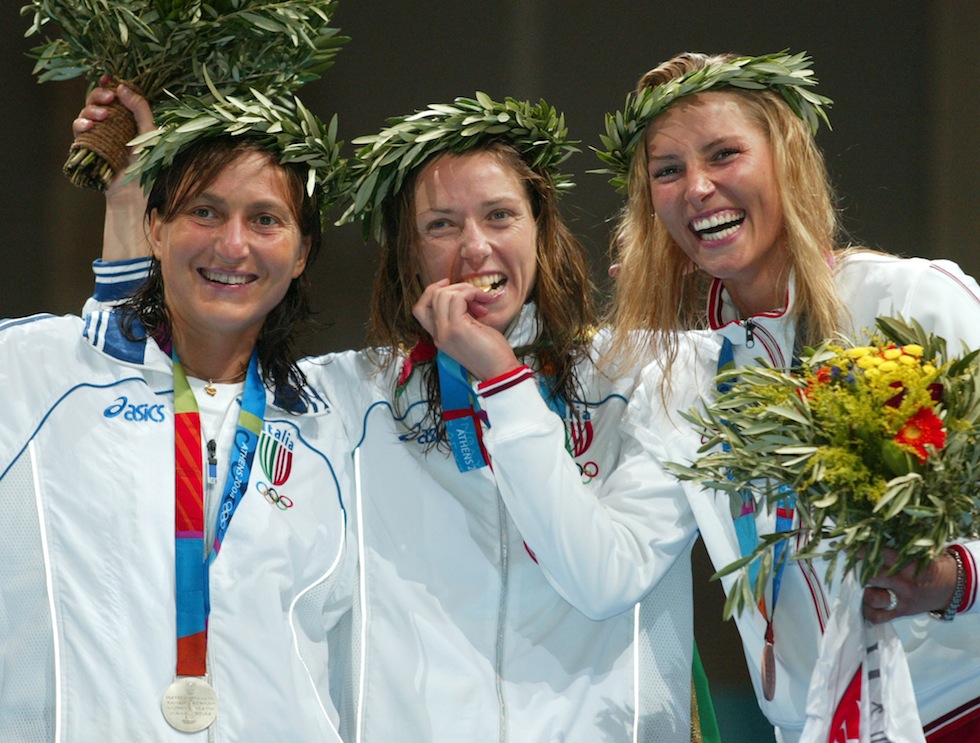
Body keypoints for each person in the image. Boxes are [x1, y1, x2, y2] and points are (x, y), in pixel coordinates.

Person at [589, 51, 980, 741]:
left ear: (787, 159)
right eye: (667, 170)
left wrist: (955, 578)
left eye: (724, 154)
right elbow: (608, 566)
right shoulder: (687, 381)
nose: (697, 187)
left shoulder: (909, 301)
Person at [310, 94, 710, 741]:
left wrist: (501, 378)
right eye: (441, 225)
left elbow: (602, 582)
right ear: (408, 254)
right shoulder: (348, 398)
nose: (476, 247)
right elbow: (195, 380)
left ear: (539, 230)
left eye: (500, 215)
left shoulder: (646, 376)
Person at [0, 83, 354, 740]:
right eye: (205, 211)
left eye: (266, 219)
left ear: (302, 253)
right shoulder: (38, 375)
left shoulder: (334, 424)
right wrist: (124, 199)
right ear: (156, 229)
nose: (233, 244)